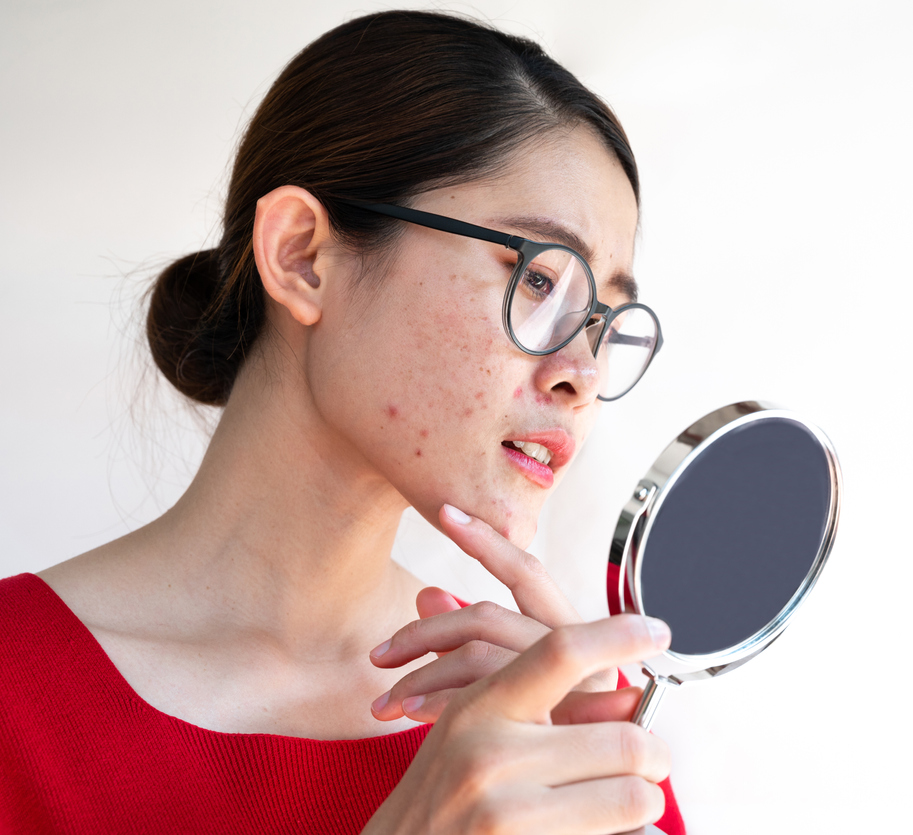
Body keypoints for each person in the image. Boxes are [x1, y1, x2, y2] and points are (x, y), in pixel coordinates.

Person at [0, 10, 684, 834]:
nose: (581, 371)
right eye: (540, 279)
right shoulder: (19, 703)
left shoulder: (552, 733)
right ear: (303, 256)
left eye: (606, 320)